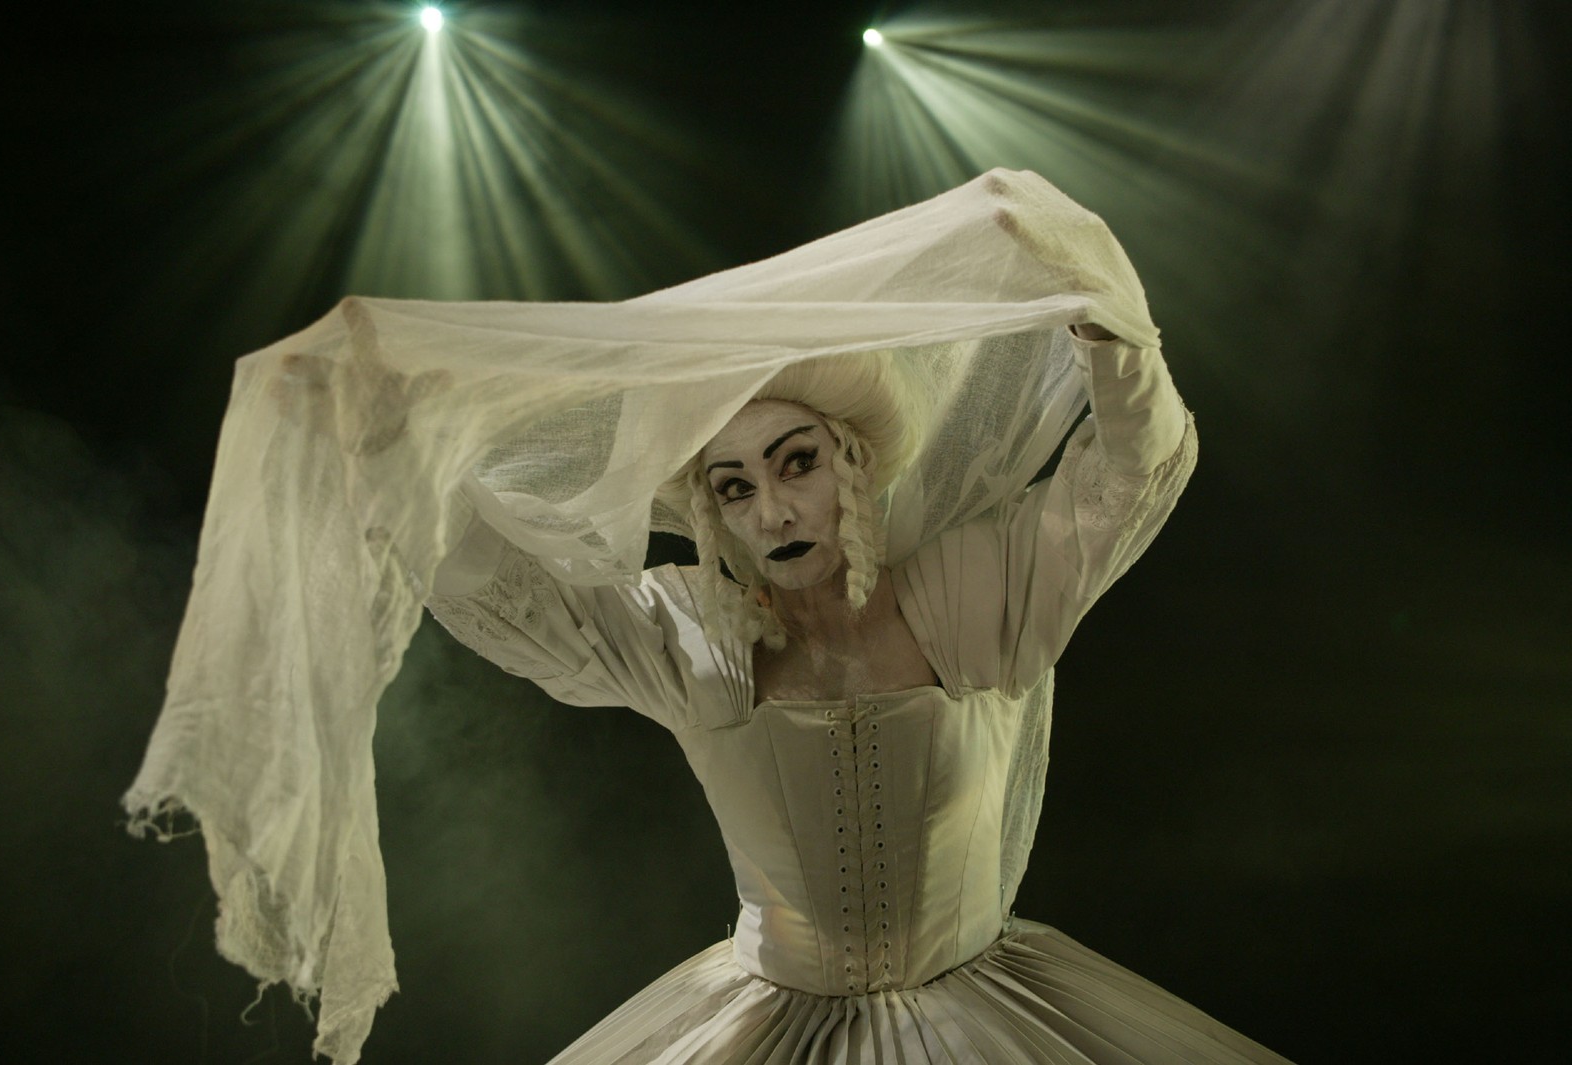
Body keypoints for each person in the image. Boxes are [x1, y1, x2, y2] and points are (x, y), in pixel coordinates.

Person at [124, 169, 1291, 1063]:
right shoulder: (693, 634)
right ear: (708, 510)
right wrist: (381, 435)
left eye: (795, 463)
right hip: (765, 1019)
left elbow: (1127, 478)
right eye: (731, 485)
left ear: (850, 461)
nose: (773, 508)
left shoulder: (969, 595)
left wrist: (1107, 333)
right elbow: (500, 591)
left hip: (984, 1011)